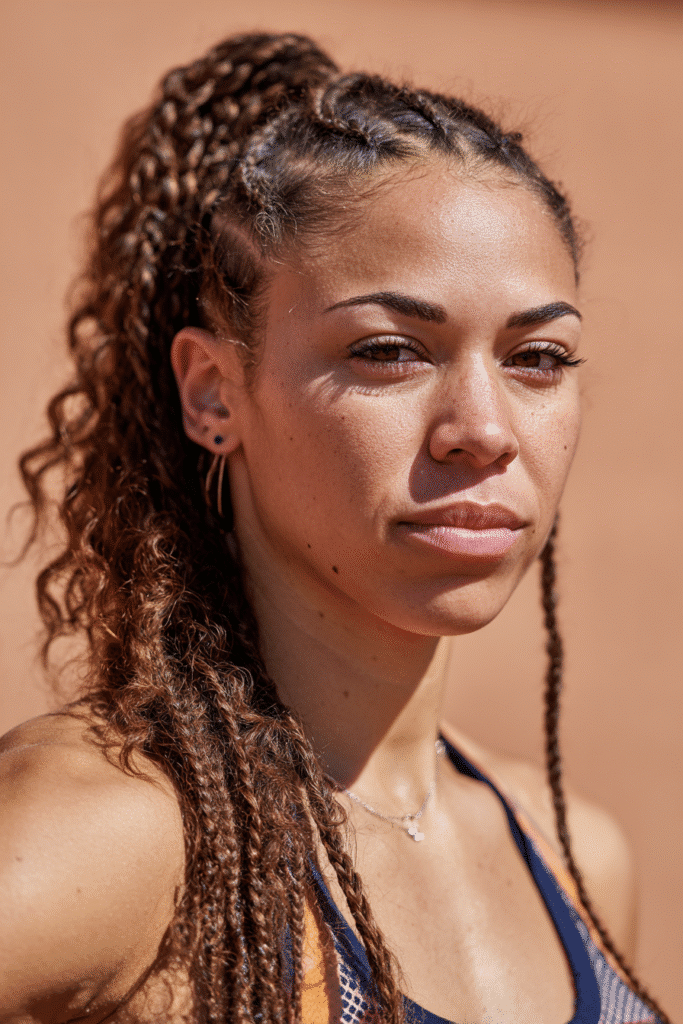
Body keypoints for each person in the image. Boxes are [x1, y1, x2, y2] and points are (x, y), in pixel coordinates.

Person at [0, 31, 669, 1024]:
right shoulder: (119, 833)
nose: (484, 431)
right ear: (213, 392)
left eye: (536, 356)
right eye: (392, 349)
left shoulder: (572, 854)